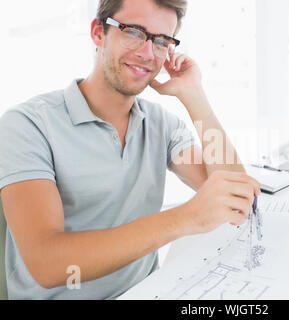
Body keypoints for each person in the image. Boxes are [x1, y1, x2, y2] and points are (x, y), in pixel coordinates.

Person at [0, 0, 260, 299]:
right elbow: (48, 265)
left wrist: (195, 96)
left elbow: (237, 196)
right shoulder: (27, 124)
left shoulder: (161, 124)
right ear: (99, 33)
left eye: (161, 41)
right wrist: (185, 218)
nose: (148, 53)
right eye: (134, 32)